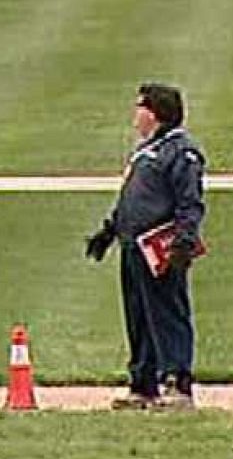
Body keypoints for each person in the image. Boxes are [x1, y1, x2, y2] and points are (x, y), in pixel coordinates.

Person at [85, 83, 206, 411]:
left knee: (167, 313)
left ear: (155, 113)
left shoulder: (181, 151)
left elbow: (190, 202)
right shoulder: (145, 151)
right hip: (132, 245)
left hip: (159, 247)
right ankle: (143, 383)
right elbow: (132, 198)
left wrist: (184, 240)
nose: (135, 115)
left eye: (140, 107)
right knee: (138, 315)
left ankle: (177, 382)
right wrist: (109, 230)